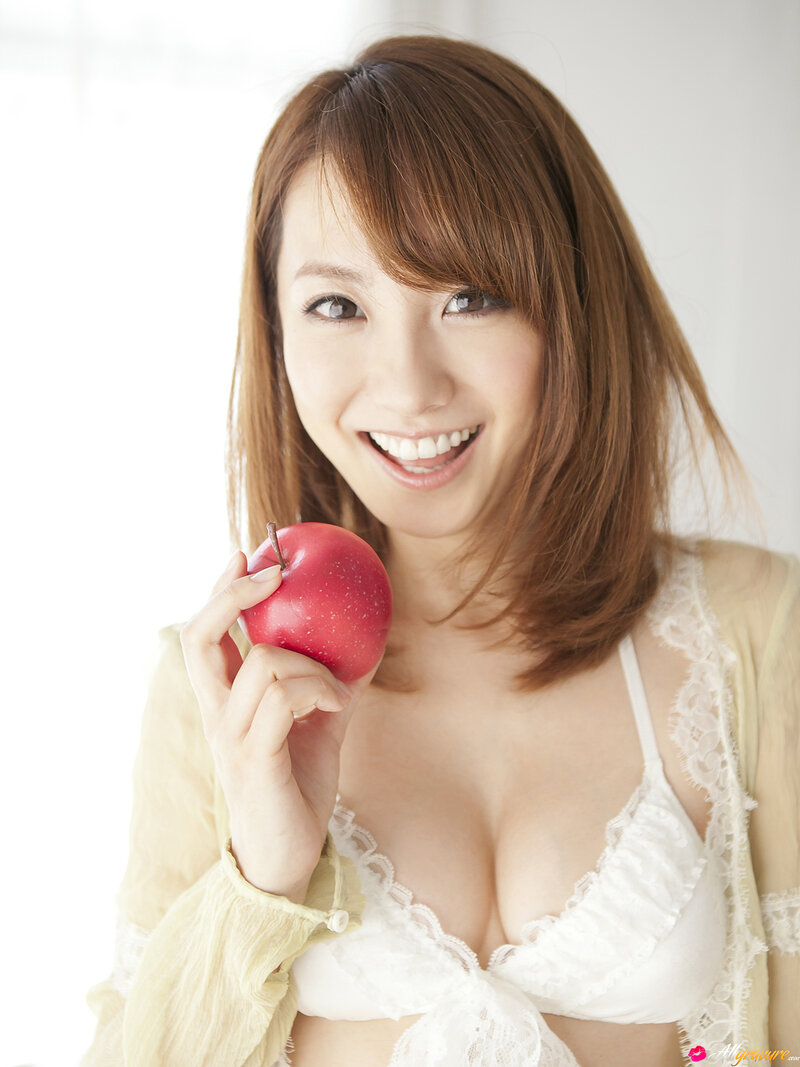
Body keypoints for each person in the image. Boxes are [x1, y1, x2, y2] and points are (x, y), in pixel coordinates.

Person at [80, 33, 799, 1067]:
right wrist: (262, 877)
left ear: (572, 311)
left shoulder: (756, 630)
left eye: (470, 297)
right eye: (337, 305)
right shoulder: (220, 686)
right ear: (277, 334)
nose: (409, 386)